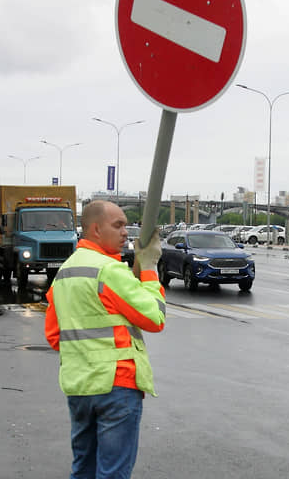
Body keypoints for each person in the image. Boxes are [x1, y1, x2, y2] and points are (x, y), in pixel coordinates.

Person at [45, 200, 165, 479]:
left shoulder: (64, 273)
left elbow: (54, 336)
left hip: (79, 388)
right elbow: (154, 318)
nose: (126, 232)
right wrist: (149, 269)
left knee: (83, 470)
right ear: (96, 230)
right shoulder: (109, 271)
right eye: (118, 225)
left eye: (126, 225)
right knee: (112, 473)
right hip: (116, 387)